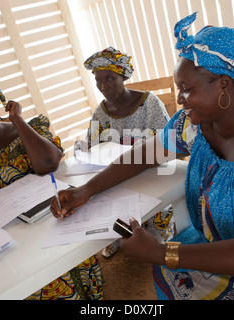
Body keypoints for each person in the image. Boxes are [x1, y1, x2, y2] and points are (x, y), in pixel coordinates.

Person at [51, 12, 234, 300]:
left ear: (223, 84)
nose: (179, 99)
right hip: (224, 242)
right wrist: (87, 189)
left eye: (186, 89)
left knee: (173, 266)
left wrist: (160, 253)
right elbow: (148, 153)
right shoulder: (200, 123)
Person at [0, 78, 103, 300]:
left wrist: (17, 120)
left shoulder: (29, 129)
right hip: (6, 241)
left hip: (51, 223)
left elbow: (48, 164)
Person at [79, 46, 174, 258]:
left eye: (110, 78)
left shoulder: (150, 104)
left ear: (123, 76)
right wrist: (84, 149)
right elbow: (92, 147)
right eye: (99, 81)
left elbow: (165, 146)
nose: (104, 86)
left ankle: (152, 243)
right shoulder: (100, 113)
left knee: (153, 227)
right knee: (106, 199)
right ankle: (120, 238)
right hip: (118, 175)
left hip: (152, 171)